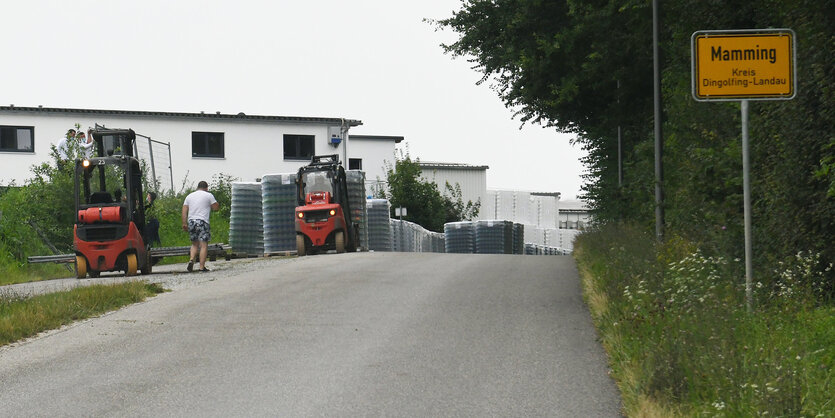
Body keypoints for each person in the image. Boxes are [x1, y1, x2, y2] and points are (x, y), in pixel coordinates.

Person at [182, 181, 219, 272]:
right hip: (202, 221)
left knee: (194, 244)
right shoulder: (208, 195)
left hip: (191, 222)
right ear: (206, 188)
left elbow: (184, 210)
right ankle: (201, 267)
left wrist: (184, 223)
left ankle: (191, 260)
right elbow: (216, 208)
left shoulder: (189, 196)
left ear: (197, 187)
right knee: (203, 245)